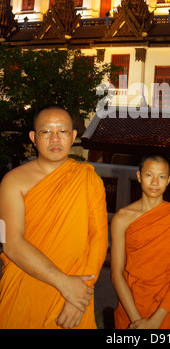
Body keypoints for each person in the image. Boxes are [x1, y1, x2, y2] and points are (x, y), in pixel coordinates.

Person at [0, 105, 108, 329]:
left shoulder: (88, 179)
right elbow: (11, 244)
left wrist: (78, 298)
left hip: (76, 292)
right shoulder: (12, 181)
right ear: (33, 137)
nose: (55, 138)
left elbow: (98, 239)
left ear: (73, 136)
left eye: (63, 131)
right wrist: (64, 283)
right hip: (26, 286)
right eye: (46, 131)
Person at [111, 153, 170, 329]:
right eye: (149, 175)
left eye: (162, 177)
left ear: (169, 180)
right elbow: (116, 273)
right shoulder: (122, 219)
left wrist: (155, 321)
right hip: (132, 307)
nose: (155, 182)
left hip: (169, 309)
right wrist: (137, 320)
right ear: (139, 176)